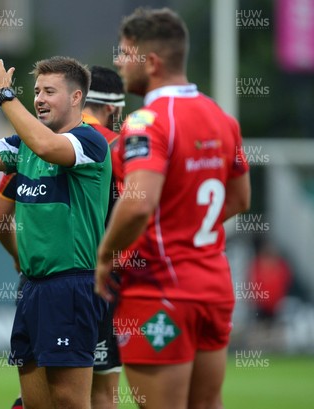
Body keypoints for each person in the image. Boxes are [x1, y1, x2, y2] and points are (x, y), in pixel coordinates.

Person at [95, 7, 251, 409]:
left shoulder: (148, 120)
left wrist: (106, 257)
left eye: (125, 53)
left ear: (151, 62)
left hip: (159, 287)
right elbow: (240, 199)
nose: (117, 61)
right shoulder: (221, 117)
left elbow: (138, 204)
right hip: (214, 287)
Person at [0, 52, 111, 409]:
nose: (39, 98)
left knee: (69, 401)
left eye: (50, 91)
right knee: (36, 403)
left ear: (76, 98)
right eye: (37, 91)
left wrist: (4, 95)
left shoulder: (89, 142)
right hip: (32, 288)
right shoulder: (24, 146)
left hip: (71, 286)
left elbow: (46, 145)